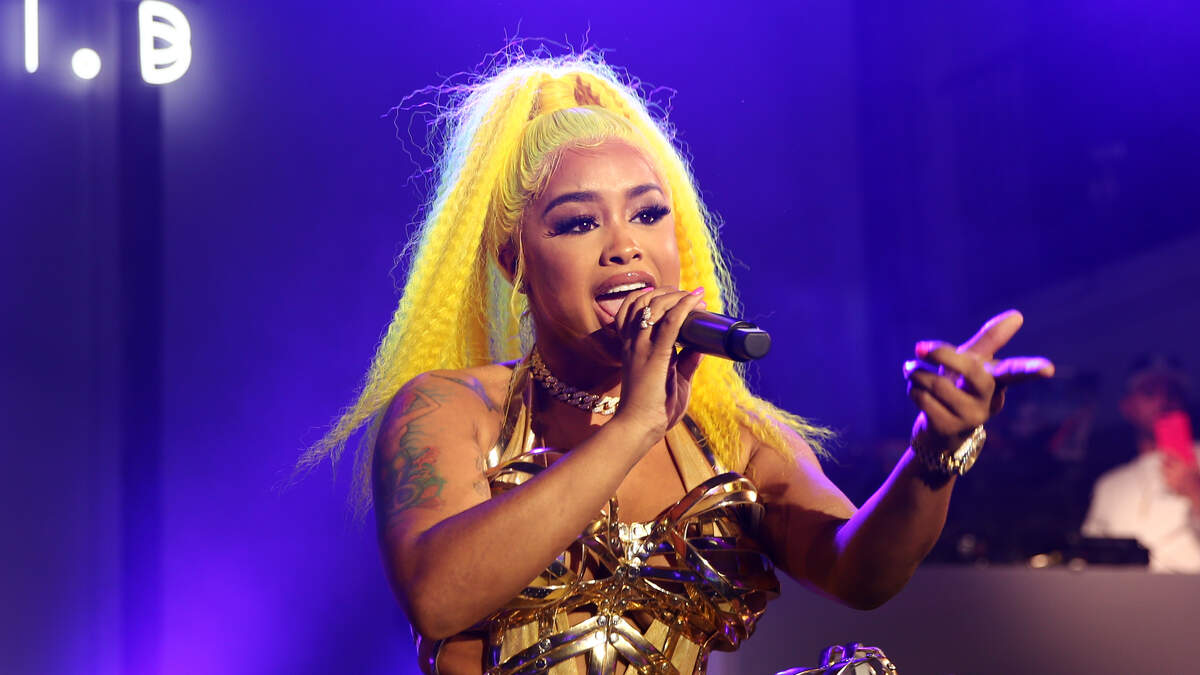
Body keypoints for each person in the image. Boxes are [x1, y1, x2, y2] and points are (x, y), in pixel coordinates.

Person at [297, 54, 1055, 674]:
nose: (624, 245)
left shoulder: (731, 433)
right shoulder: (449, 408)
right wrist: (633, 425)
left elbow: (859, 573)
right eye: (579, 222)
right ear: (514, 261)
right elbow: (438, 596)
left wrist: (935, 456)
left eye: (648, 213)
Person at [1082, 356, 1200, 572]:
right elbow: (1089, 559)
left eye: (1173, 393)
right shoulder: (1110, 485)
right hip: (1124, 591)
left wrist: (1196, 492)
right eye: (1150, 393)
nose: (1163, 402)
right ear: (1127, 407)